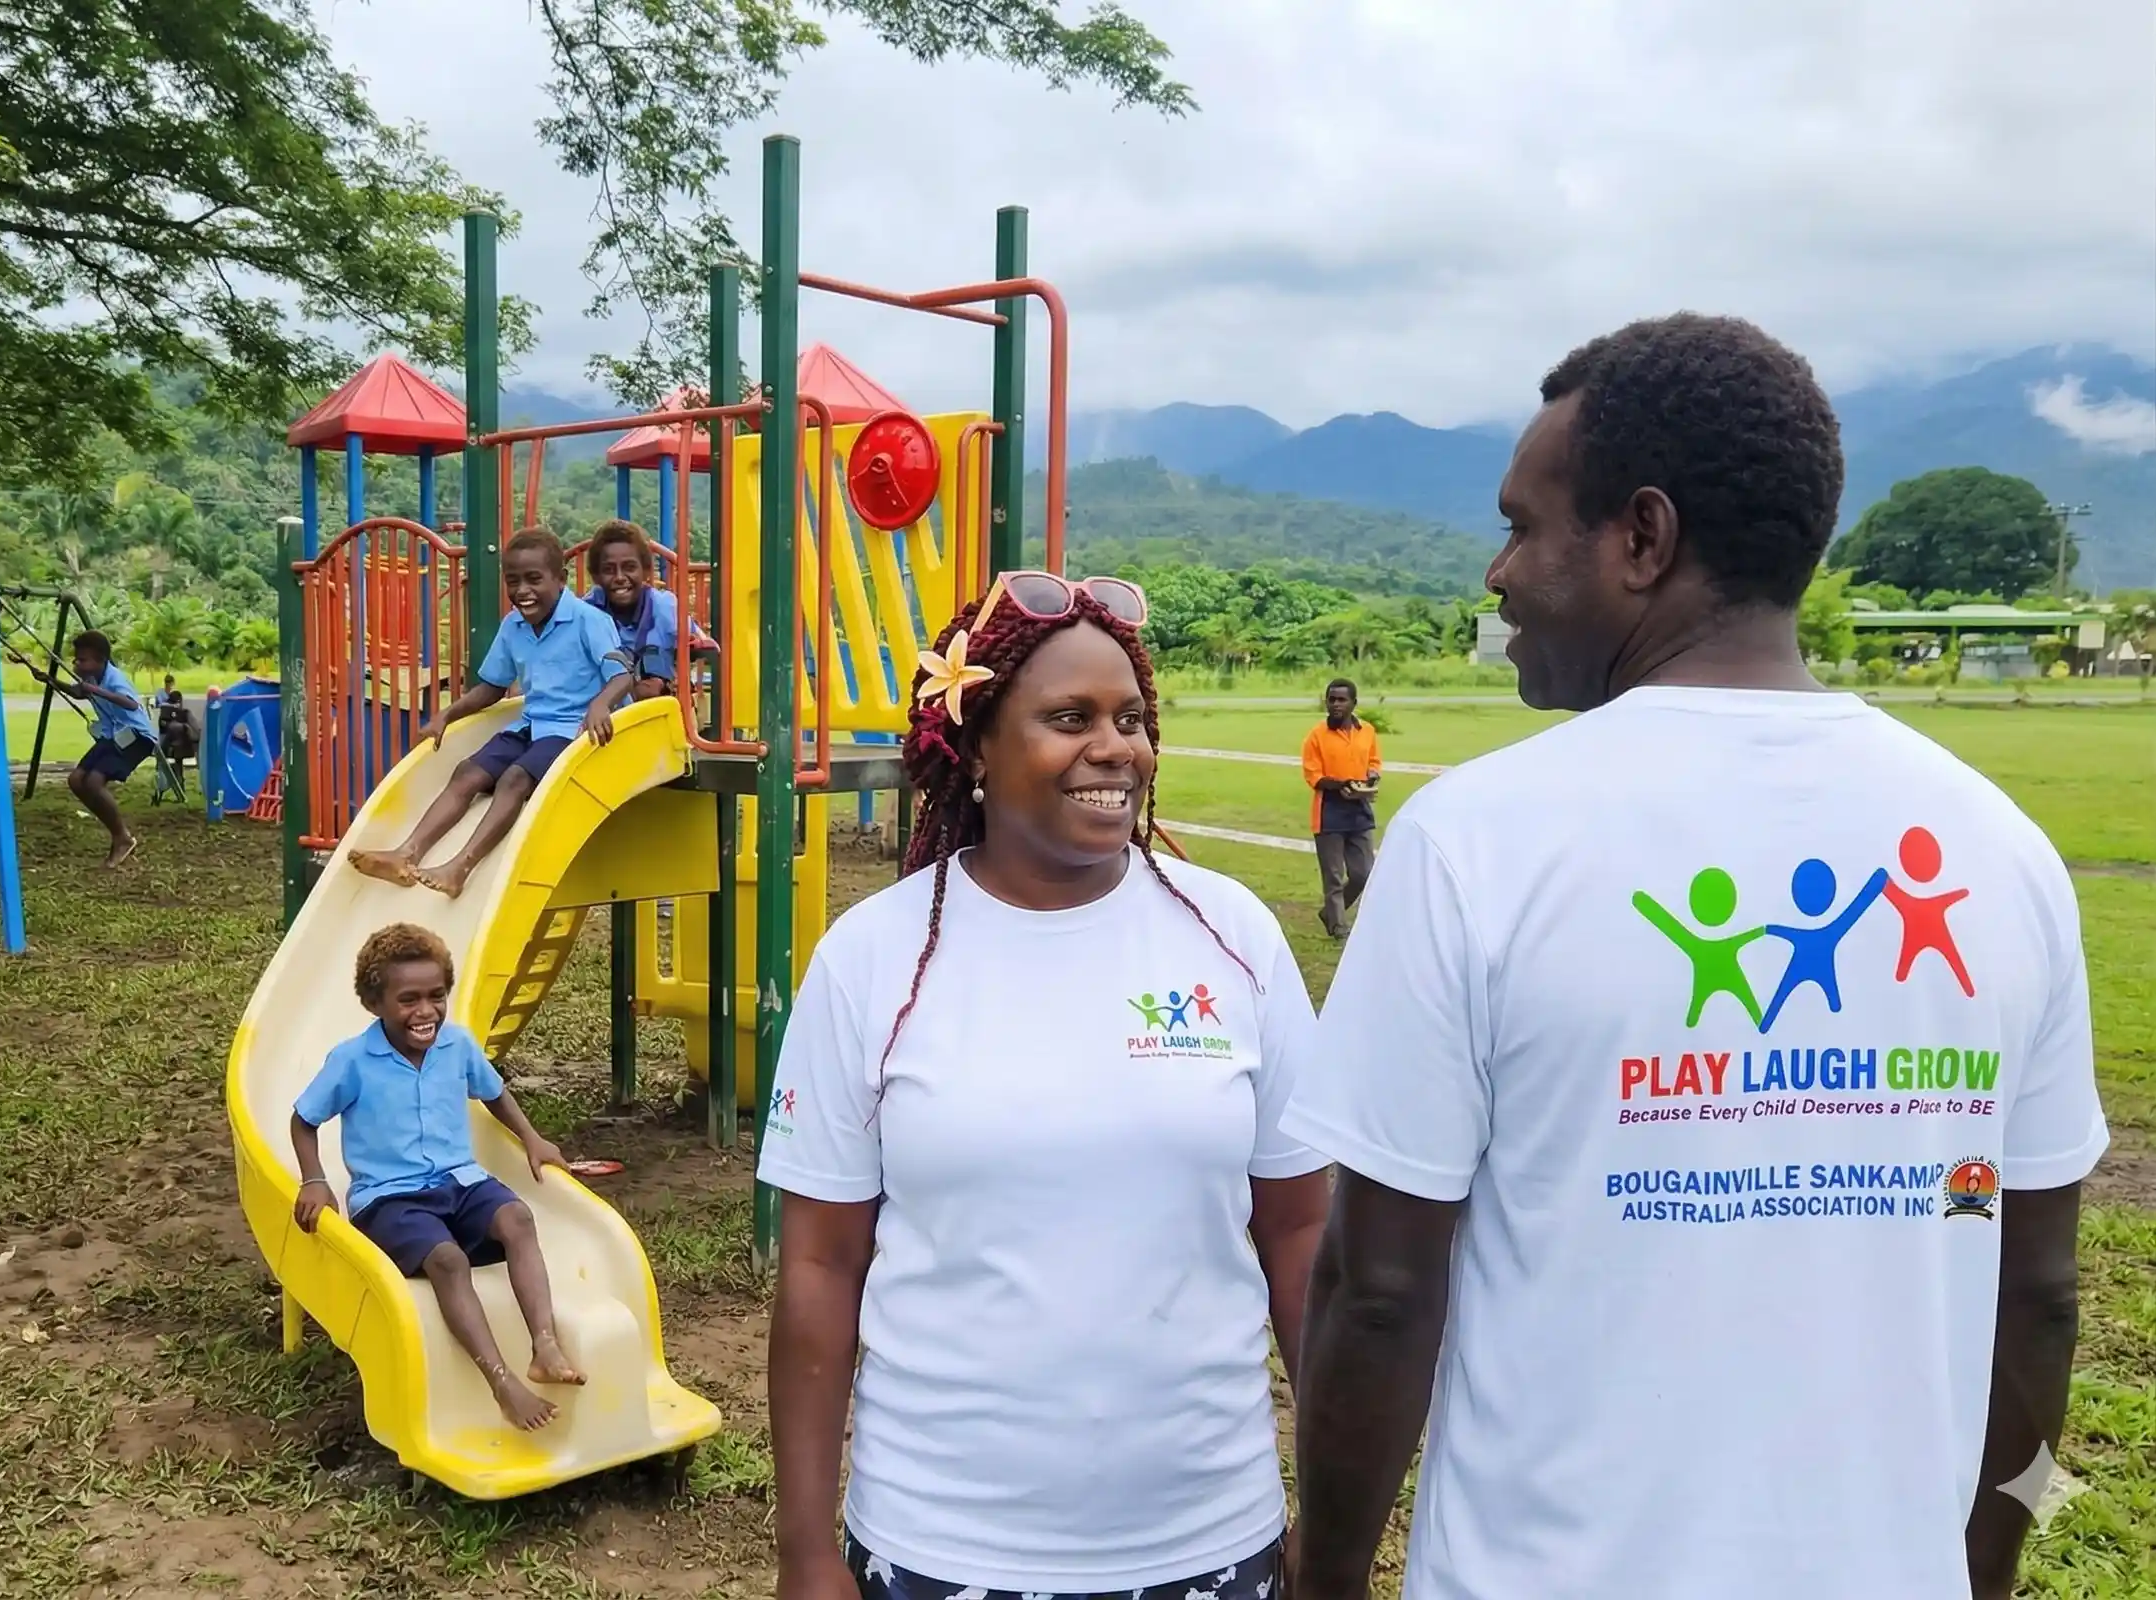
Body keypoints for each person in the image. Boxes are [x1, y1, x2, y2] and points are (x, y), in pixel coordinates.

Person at [1281, 315, 2105, 1600]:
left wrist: (1318, 1583)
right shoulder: (2001, 852)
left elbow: (1378, 1290)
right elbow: (2037, 1293)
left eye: (1520, 524)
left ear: (1639, 539)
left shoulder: (1474, 842)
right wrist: (1983, 1571)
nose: (1495, 574)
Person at [764, 570, 1332, 1600]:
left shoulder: (1232, 936)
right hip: (938, 1545)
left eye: (1129, 718)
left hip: (1206, 1537)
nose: (1114, 747)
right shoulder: (873, 958)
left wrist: (1331, 1532)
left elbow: (1298, 1231)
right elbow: (817, 1262)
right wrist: (804, 1550)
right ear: (975, 746)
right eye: (1067, 718)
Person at [289, 922, 583, 1429]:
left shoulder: (458, 1045)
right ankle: (501, 1380)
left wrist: (532, 1137)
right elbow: (303, 1119)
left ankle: (545, 1344)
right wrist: (314, 1178)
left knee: (517, 1218)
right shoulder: (353, 1061)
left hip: (459, 1182)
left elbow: (492, 1091)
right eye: (408, 1000)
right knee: (447, 1259)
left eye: (436, 996)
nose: (425, 1011)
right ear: (375, 1002)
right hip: (390, 1199)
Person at [350, 529, 633, 897]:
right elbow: (493, 687)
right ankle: (406, 853)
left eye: (534, 579)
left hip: (577, 732)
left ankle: (460, 866)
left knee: (514, 778)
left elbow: (622, 675)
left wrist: (600, 704)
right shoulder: (513, 626)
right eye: (512, 581)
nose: (522, 591)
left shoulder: (588, 620)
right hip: (533, 724)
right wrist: (447, 715)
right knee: (468, 772)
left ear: (560, 580)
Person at [38, 630, 151, 866]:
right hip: (112, 736)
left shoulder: (115, 679)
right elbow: (79, 693)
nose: (77, 664)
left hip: (136, 738)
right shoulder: (90, 678)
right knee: (76, 780)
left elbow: (131, 704)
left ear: (101, 661)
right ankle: (116, 830)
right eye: (76, 659)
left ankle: (122, 838)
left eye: (83, 660)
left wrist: (96, 691)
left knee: (93, 782)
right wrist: (50, 680)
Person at [583, 519, 704, 698]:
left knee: (654, 659)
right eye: (609, 570)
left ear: (646, 571)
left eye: (629, 568)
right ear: (596, 576)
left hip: (658, 709)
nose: (619, 577)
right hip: (605, 708)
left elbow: (701, 644)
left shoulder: (666, 608)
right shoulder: (587, 612)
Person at [1299, 678, 1381, 939]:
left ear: (1353, 703)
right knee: (1333, 877)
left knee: (1363, 874)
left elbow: (1374, 762)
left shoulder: (1367, 731)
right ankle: (1338, 926)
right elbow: (1314, 776)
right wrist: (1342, 785)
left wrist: (1371, 777)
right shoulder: (1316, 736)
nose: (1335, 705)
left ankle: (1331, 912)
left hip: (1360, 811)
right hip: (1328, 813)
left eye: (1341, 700)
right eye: (1331, 699)